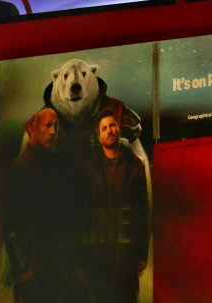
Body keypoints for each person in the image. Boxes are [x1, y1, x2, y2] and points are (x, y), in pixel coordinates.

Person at [3, 108, 88, 303]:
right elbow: (10, 221)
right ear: (33, 128)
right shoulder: (22, 170)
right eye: (48, 125)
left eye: (55, 126)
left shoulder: (49, 165)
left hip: (53, 267)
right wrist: (23, 267)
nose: (52, 132)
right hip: (38, 269)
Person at [82, 108, 150, 303]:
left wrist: (142, 253)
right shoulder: (90, 168)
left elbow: (142, 210)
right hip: (99, 256)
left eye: (112, 125)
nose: (109, 130)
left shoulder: (135, 164)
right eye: (104, 128)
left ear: (119, 128)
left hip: (126, 256)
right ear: (99, 135)